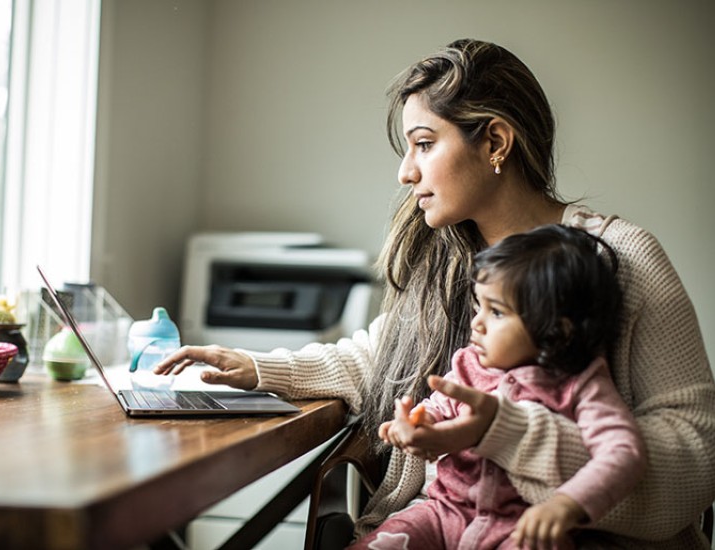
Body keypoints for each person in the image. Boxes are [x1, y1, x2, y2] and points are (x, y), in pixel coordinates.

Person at [156, 39, 715, 548]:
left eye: (424, 143)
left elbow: (696, 450)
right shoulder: (444, 261)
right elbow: (378, 359)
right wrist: (254, 369)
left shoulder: (616, 257)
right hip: (446, 526)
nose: (405, 172)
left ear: (495, 141)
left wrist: (510, 438)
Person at [349, 224, 646, 550]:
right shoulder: (470, 363)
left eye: (496, 312)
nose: (477, 322)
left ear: (556, 331)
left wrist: (568, 504)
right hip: (443, 512)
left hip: (522, 529)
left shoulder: (582, 384)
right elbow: (437, 407)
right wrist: (419, 424)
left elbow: (623, 452)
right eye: (479, 306)